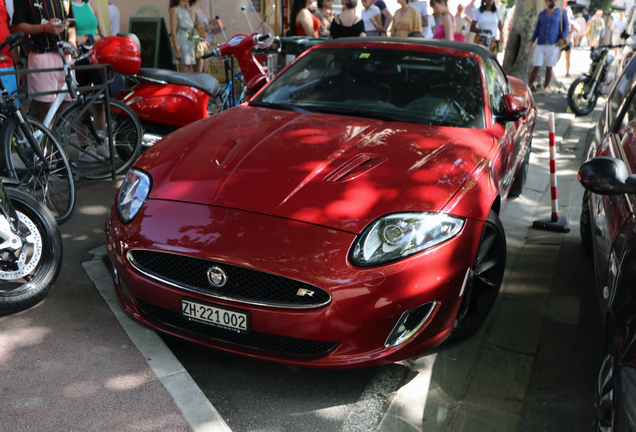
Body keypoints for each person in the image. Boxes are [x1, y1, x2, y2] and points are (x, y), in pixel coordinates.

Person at [12, 0, 76, 122]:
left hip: (65, 57)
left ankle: (60, 142)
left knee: (67, 108)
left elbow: (71, 24)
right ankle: (42, 141)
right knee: (47, 110)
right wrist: (45, 28)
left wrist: (72, 42)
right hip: (42, 55)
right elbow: (17, 26)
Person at [71, 0, 109, 159]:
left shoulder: (93, 5)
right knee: (81, 104)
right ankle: (84, 147)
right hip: (78, 59)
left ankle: (100, 142)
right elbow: (71, 37)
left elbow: (104, 35)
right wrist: (90, 37)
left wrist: (86, 37)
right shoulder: (67, 6)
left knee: (100, 102)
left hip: (96, 57)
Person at [527, 0, 569, 92]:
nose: (553, 1)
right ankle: (528, 86)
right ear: (546, 1)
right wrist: (532, 40)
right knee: (536, 65)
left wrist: (562, 37)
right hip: (541, 43)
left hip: (553, 43)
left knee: (549, 66)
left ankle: (546, 87)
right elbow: (537, 29)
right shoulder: (542, 14)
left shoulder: (561, 12)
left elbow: (566, 27)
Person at [169, 0, 195, 73]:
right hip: (181, 46)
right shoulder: (175, 11)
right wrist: (177, 49)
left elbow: (191, 29)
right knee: (184, 73)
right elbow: (173, 32)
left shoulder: (187, 11)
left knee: (188, 72)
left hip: (189, 45)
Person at [189, 0, 210, 73]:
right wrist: (201, 28)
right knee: (199, 70)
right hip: (198, 42)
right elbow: (191, 28)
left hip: (206, 41)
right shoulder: (192, 10)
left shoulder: (202, 10)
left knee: (205, 70)